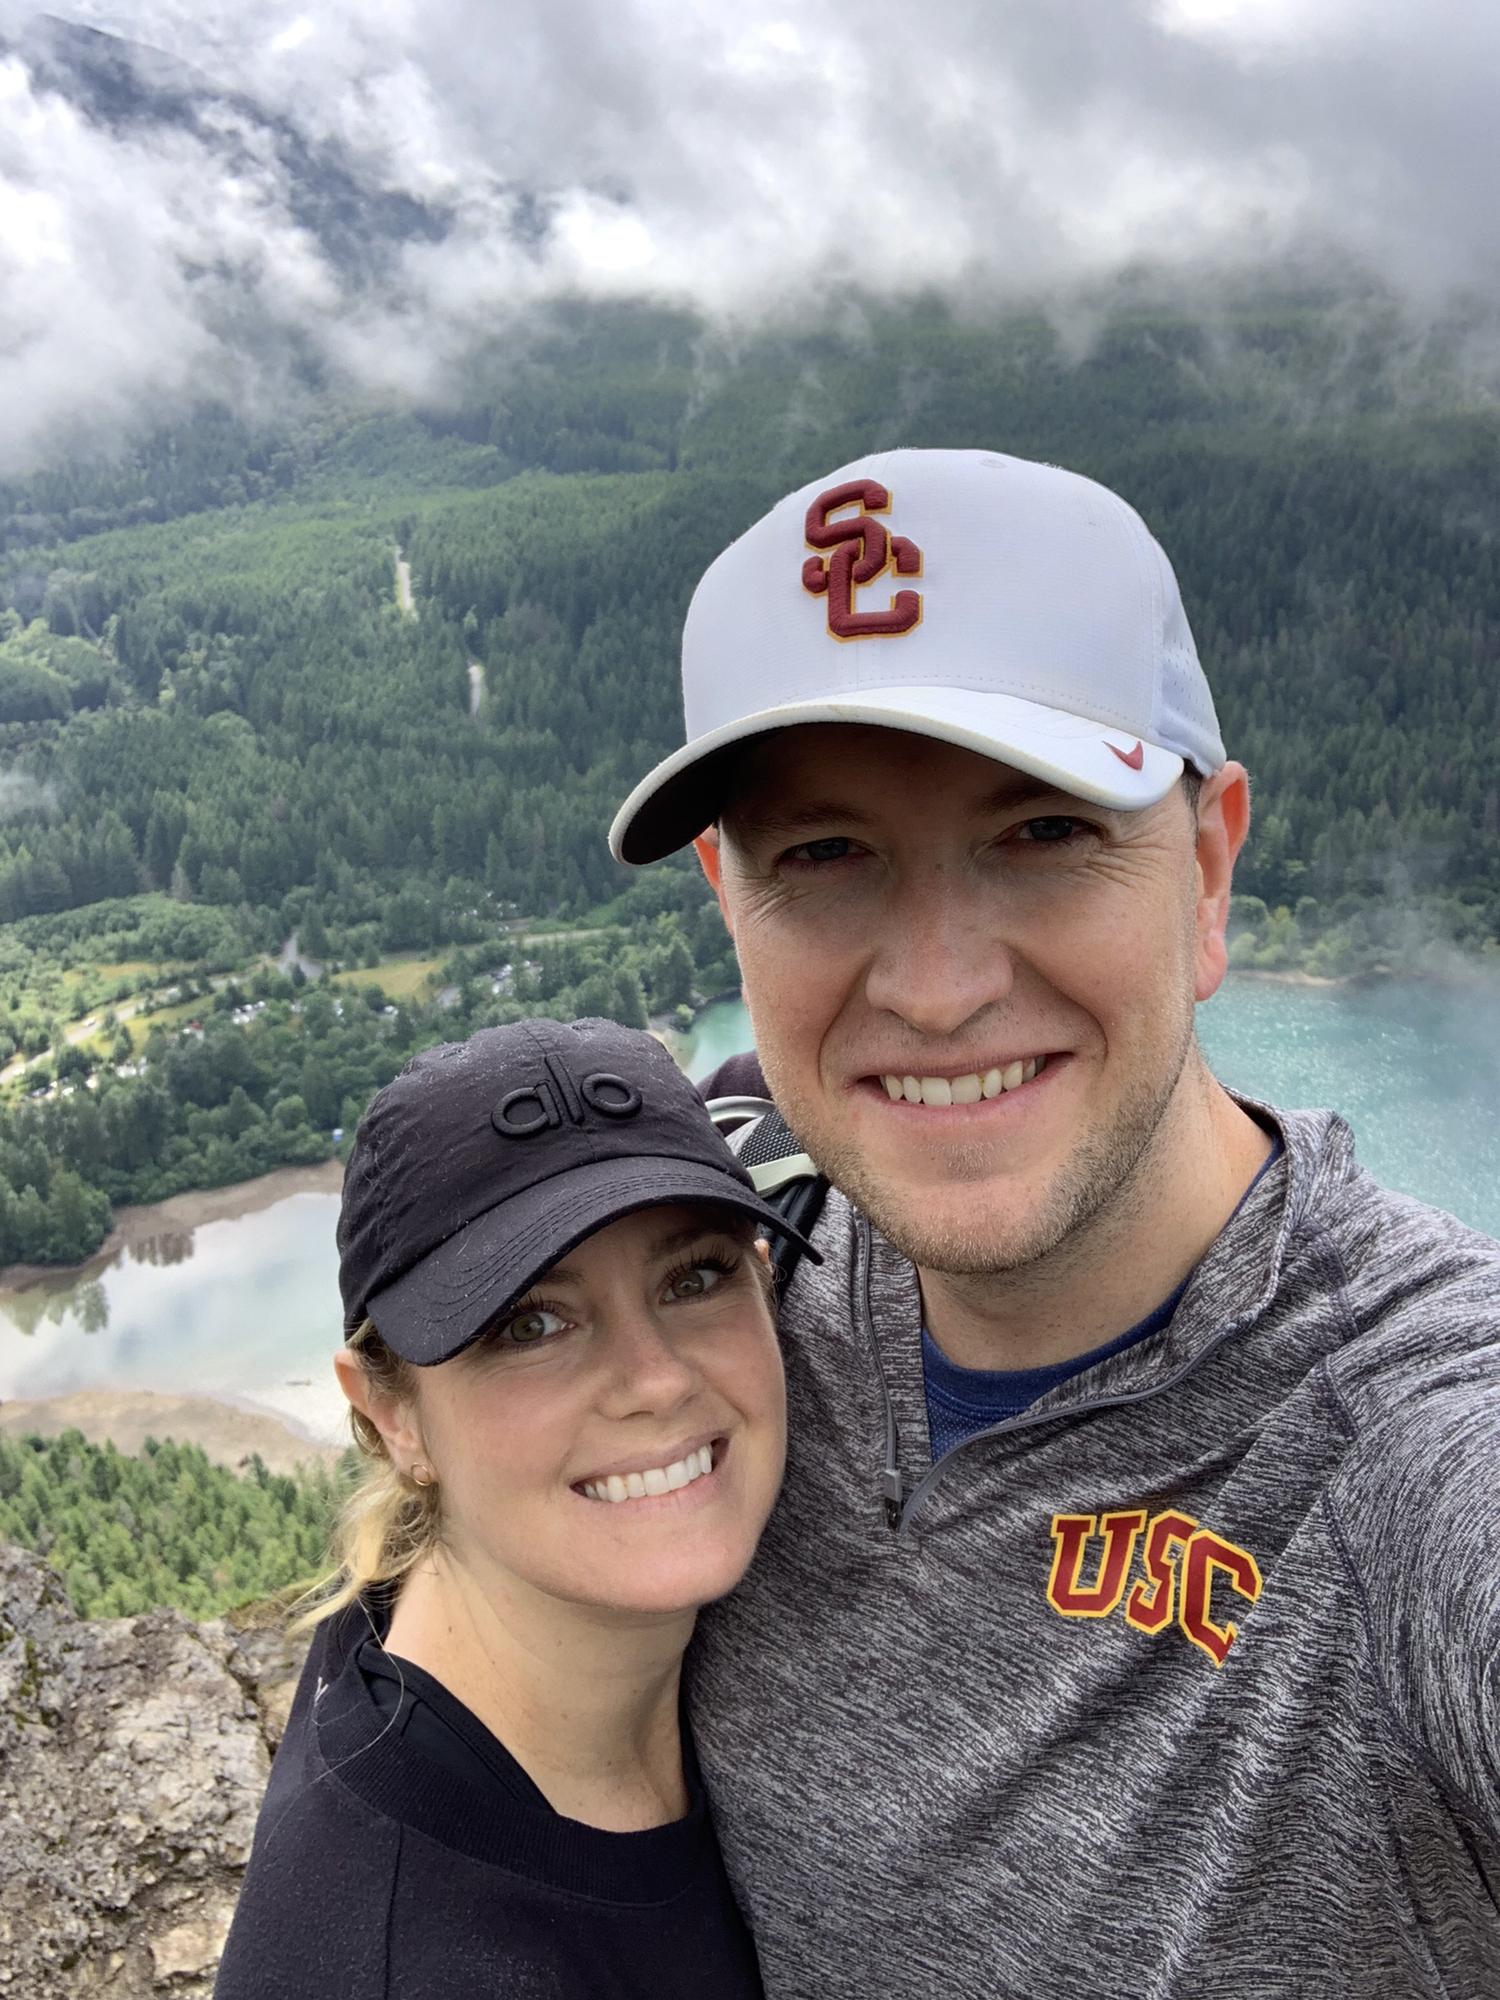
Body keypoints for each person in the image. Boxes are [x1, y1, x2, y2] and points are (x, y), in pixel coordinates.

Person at [608, 449, 1500, 1998]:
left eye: (1043, 833)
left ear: (1209, 867)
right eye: (823, 857)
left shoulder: (1404, 1450)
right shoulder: (730, 1309)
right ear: (725, 897)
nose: (937, 987)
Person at [214, 1016, 813, 2000]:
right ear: (391, 1413)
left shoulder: (448, 1615)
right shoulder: (415, 1957)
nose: (655, 1380)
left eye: (694, 1275)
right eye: (531, 1322)